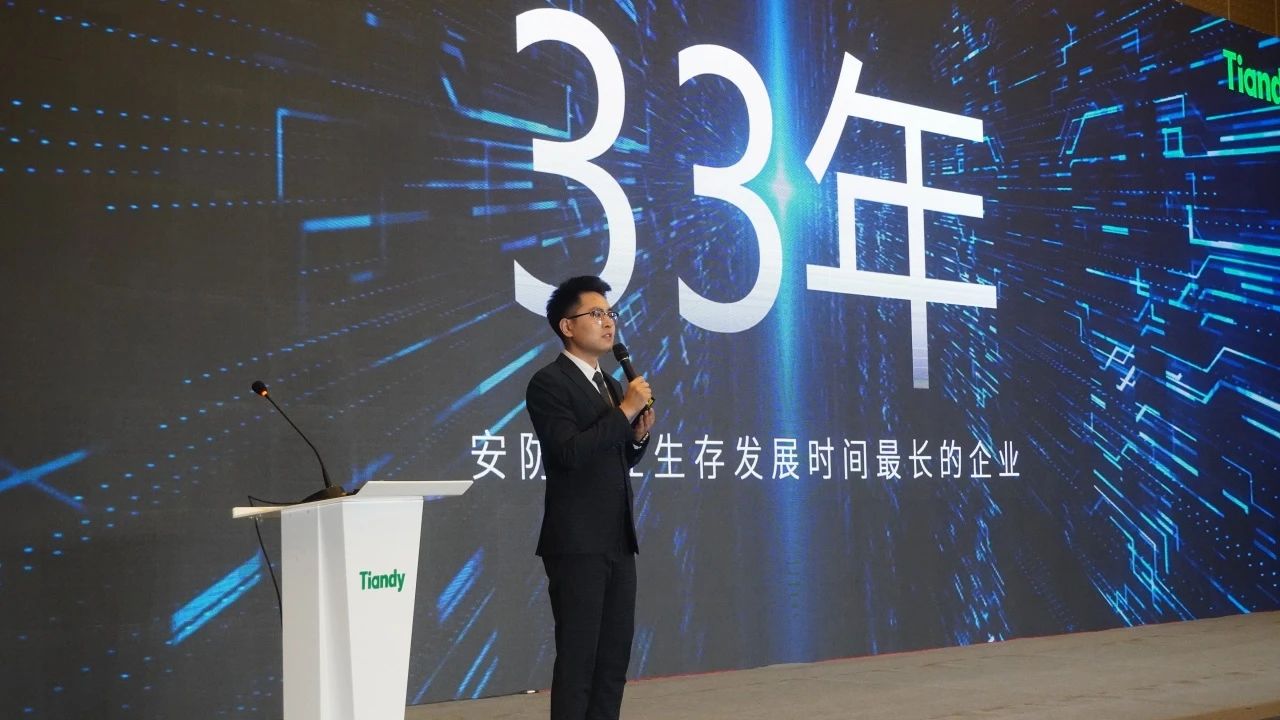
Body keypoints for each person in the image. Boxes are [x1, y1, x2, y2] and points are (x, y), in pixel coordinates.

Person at [526, 275, 656, 720]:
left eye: (610, 313)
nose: (608, 322)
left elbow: (615, 459)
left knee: (613, 661)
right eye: (595, 313)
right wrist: (625, 412)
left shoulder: (613, 386)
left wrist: (636, 437)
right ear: (567, 326)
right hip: (577, 542)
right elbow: (568, 453)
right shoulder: (549, 383)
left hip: (618, 539)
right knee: (579, 659)